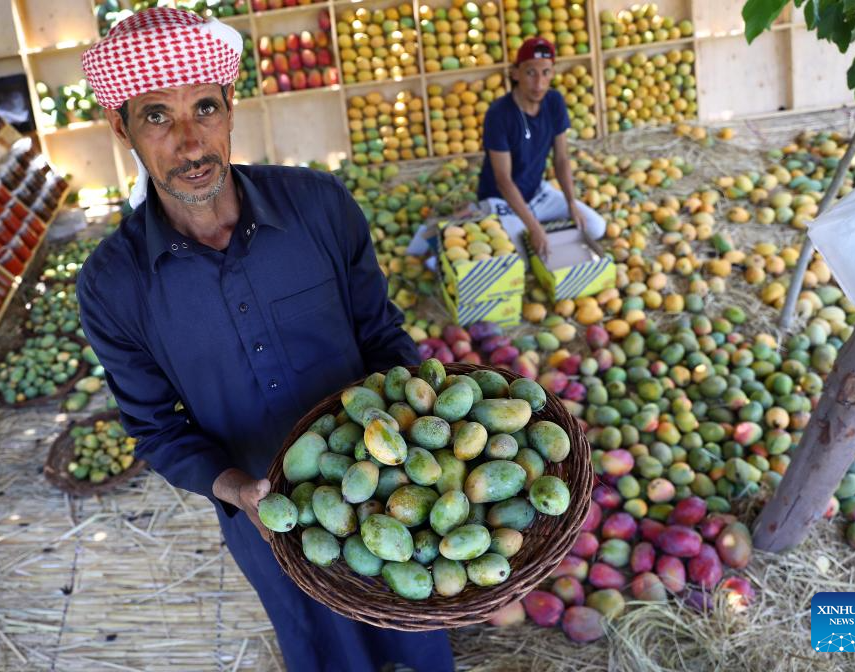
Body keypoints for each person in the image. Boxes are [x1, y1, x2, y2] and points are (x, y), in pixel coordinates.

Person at [76, 9, 454, 672]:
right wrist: (236, 489)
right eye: (157, 116)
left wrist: (411, 424)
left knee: (413, 624)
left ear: (231, 107)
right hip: (264, 519)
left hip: (392, 488)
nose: (191, 143)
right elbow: (157, 430)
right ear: (121, 126)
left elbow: (381, 335)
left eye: (205, 108)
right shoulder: (113, 286)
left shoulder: (319, 206)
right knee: (322, 645)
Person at [477, 37, 606, 260]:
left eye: (545, 72)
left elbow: (562, 159)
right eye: (530, 73)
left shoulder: (554, 101)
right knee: (521, 256)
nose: (539, 83)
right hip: (502, 201)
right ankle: (482, 214)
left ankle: (534, 224)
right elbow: (503, 180)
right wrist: (535, 228)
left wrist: (570, 202)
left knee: (595, 226)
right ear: (516, 73)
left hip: (538, 194)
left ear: (553, 73)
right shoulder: (498, 114)